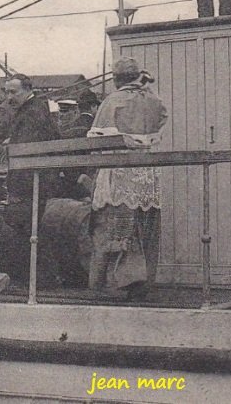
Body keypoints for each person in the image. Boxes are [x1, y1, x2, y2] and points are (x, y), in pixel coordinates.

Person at [87, 58, 168, 299]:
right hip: (145, 171)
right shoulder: (153, 99)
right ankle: (142, 282)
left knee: (115, 226)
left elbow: (96, 141)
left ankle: (112, 284)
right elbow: (161, 121)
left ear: (116, 79)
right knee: (144, 226)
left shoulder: (113, 101)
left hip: (119, 170)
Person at [0, 74, 62, 283]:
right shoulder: (35, 109)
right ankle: (40, 277)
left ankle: (34, 278)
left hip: (29, 180)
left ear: (27, 90)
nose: (9, 97)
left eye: (13, 92)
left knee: (24, 226)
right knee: (30, 227)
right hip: (33, 178)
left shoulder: (32, 113)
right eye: (6, 92)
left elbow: (26, 147)